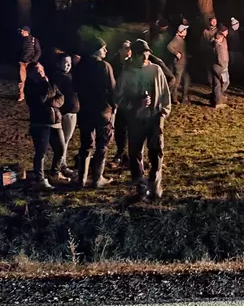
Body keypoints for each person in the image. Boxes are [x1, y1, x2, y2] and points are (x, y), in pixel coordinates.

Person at [116, 39, 172, 200]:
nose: (145, 57)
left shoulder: (156, 70)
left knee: (156, 152)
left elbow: (164, 94)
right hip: (135, 119)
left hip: (154, 118)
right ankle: (140, 185)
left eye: (147, 53)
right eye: (142, 54)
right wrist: (134, 104)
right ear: (134, 55)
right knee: (135, 154)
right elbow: (118, 97)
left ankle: (155, 183)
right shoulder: (127, 73)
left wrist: (163, 112)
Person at [72, 37, 116, 188]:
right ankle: (97, 178)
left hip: (84, 110)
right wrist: (114, 106)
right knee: (102, 144)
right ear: (96, 50)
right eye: (104, 48)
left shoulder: (80, 66)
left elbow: (75, 87)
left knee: (86, 144)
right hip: (102, 111)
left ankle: (81, 179)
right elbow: (112, 89)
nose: (106, 51)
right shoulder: (104, 66)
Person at [24, 61, 67, 189]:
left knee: (60, 148)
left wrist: (51, 102)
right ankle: (40, 179)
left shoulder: (49, 82)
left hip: (55, 121)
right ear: (30, 74)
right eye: (37, 72)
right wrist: (45, 84)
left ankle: (55, 173)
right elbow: (40, 100)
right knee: (41, 152)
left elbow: (61, 98)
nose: (40, 73)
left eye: (41, 70)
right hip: (40, 123)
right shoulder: (30, 86)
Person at [51, 54, 79, 178]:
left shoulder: (69, 75)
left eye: (69, 63)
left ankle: (61, 165)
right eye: (65, 62)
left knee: (65, 141)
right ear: (58, 63)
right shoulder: (60, 77)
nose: (68, 65)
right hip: (66, 113)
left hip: (71, 112)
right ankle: (62, 166)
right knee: (64, 142)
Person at [111, 41, 133, 165]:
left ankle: (129, 155)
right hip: (119, 99)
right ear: (120, 50)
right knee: (120, 128)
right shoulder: (113, 63)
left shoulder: (134, 63)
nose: (129, 50)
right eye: (125, 48)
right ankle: (120, 153)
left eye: (130, 48)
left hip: (131, 99)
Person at [17, 25, 42, 103]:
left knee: (32, 80)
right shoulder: (20, 39)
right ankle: (21, 95)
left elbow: (38, 51)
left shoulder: (34, 40)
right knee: (21, 80)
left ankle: (33, 95)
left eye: (22, 31)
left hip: (30, 63)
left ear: (26, 32)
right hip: (22, 63)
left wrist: (33, 61)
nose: (21, 32)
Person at [167, 24, 190, 104]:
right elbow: (169, 46)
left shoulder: (181, 39)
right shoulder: (177, 38)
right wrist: (176, 53)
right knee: (177, 82)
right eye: (185, 30)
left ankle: (184, 98)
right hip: (179, 64)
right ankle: (174, 99)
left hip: (183, 64)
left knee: (186, 80)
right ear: (181, 31)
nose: (186, 32)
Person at [211, 25, 230, 108]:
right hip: (221, 67)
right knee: (225, 82)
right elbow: (220, 57)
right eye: (226, 31)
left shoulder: (222, 41)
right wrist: (224, 66)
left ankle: (217, 100)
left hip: (215, 66)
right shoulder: (219, 45)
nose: (227, 33)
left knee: (217, 84)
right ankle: (219, 97)